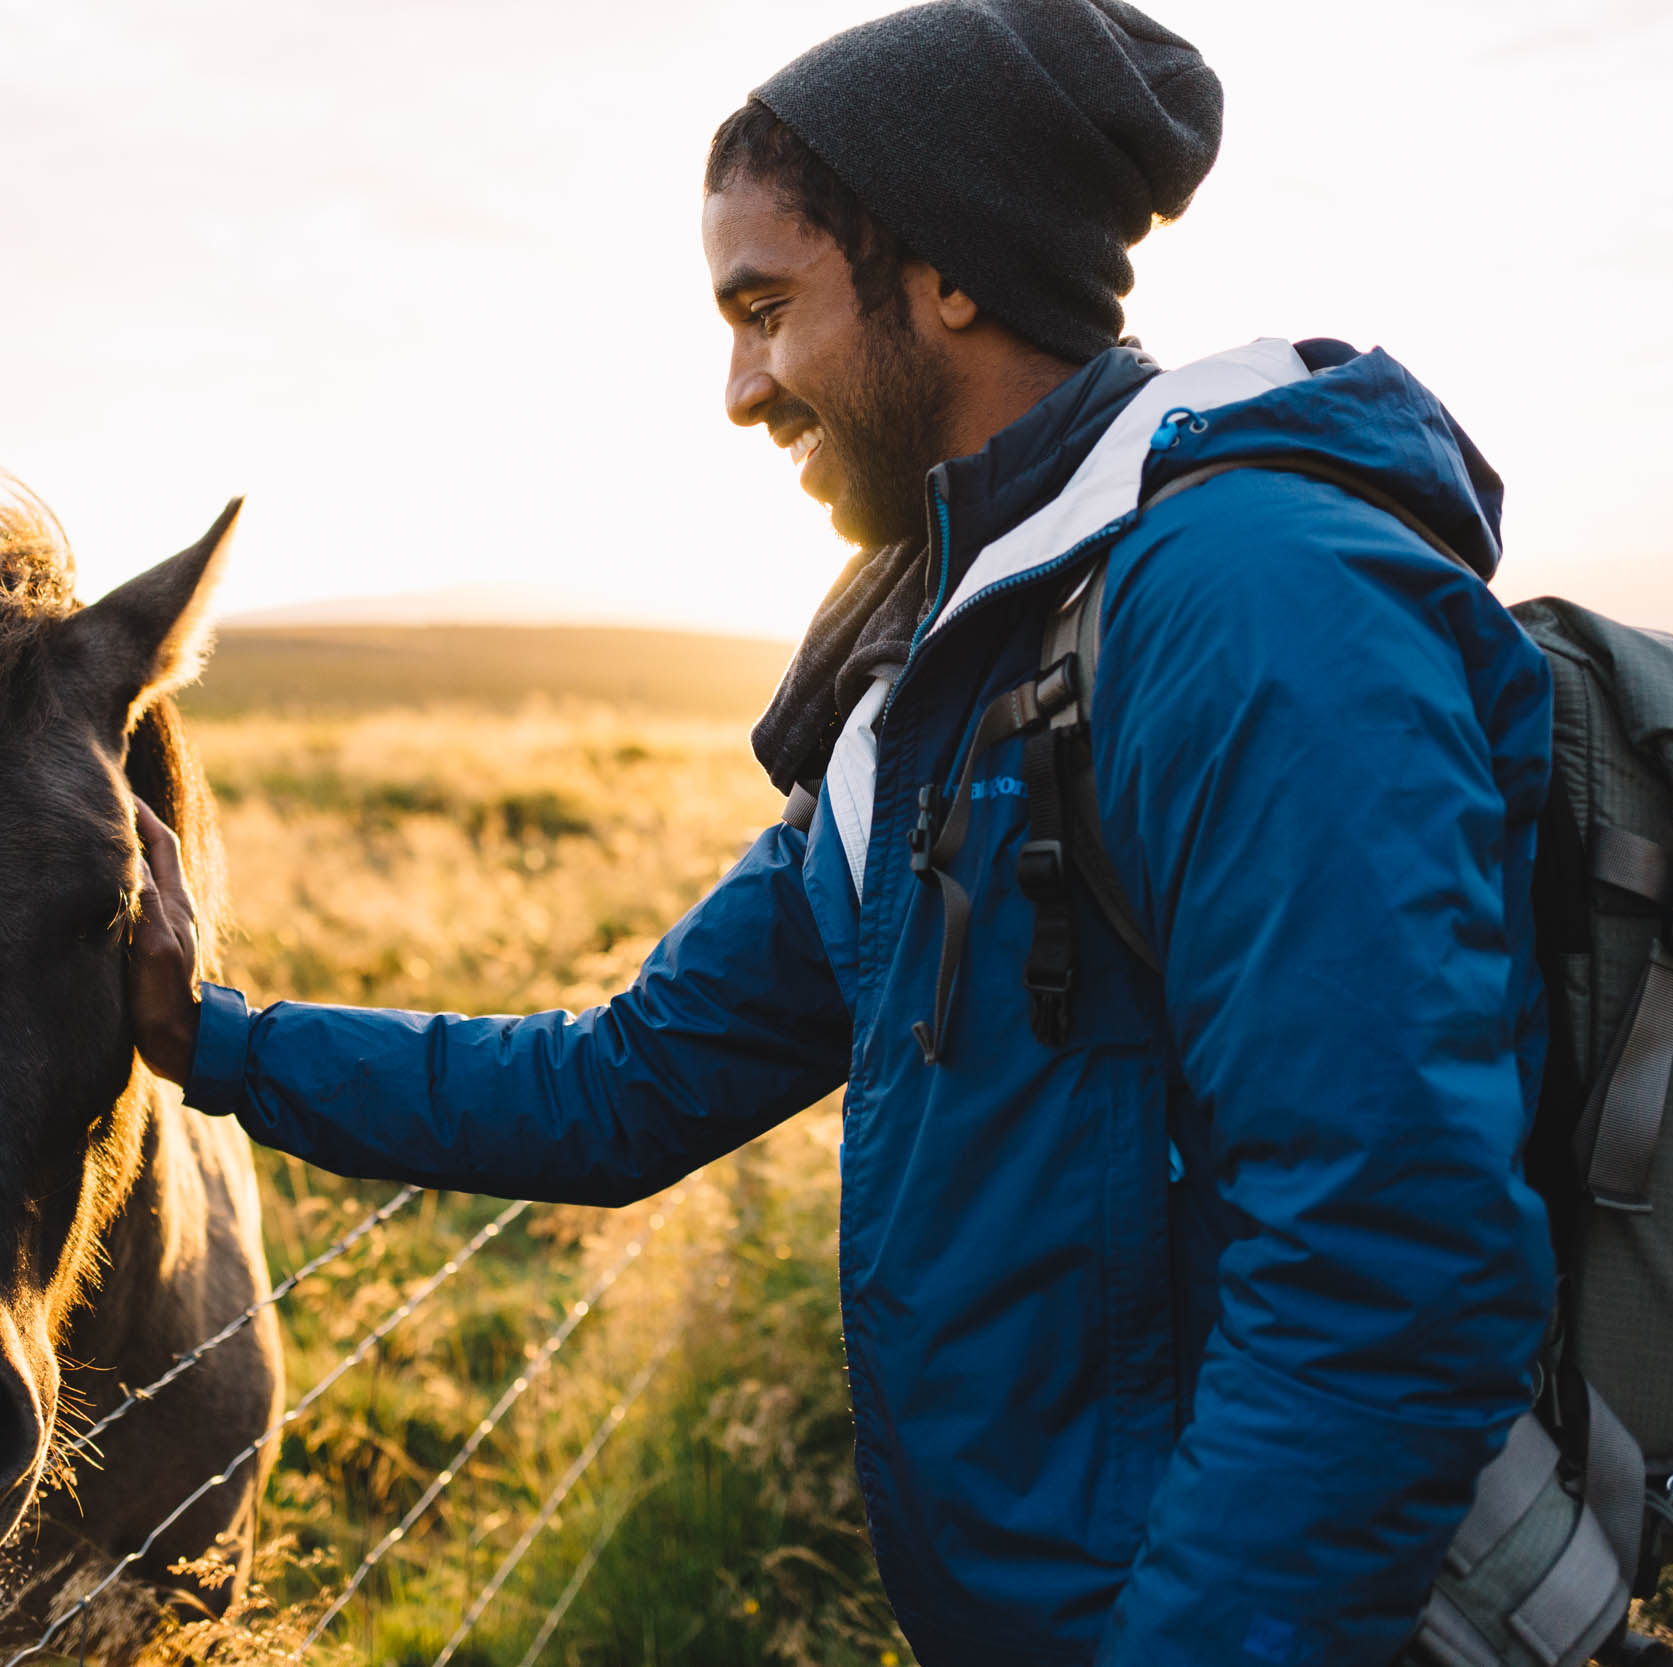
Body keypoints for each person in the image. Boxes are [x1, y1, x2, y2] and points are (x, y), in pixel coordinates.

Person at [126, 2, 1557, 1661]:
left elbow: (1387, 1270)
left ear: (949, 269)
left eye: (766, 307)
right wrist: (214, 1041)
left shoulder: (1251, 606)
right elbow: (622, 1086)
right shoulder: (928, 686)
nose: (740, 389)